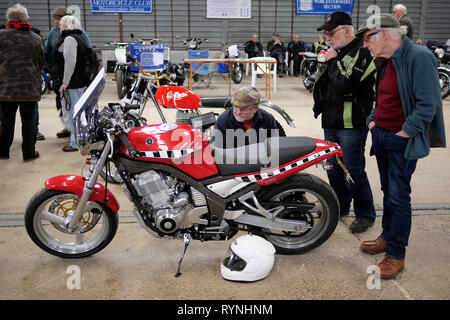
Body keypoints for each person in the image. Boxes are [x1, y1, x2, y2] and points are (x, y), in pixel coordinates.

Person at [356, 13, 445, 279]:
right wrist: (373, 121)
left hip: (400, 140)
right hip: (382, 135)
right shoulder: (385, 60)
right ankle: (387, 236)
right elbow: (381, 98)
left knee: (398, 196)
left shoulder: (419, 57)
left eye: (366, 38)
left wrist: (404, 133)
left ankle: (396, 254)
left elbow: (428, 104)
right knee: (388, 191)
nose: (364, 44)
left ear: (384, 34)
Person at [313, 11, 377, 233]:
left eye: (331, 33)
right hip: (331, 121)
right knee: (333, 169)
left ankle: (365, 213)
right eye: (326, 34)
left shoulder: (363, 52)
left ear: (346, 30)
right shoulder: (338, 52)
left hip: (351, 124)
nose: (328, 38)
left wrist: (331, 62)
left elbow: (345, 85)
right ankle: (340, 206)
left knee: (353, 171)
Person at [0, 4, 44, 161]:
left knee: (6, 121)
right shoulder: (35, 38)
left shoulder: (2, 36)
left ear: (9, 19)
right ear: (25, 18)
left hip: (6, 89)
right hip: (29, 88)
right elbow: (41, 62)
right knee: (29, 122)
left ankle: (3, 151)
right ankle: (29, 153)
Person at [45, 7, 91, 140]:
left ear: (66, 24)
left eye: (60, 21)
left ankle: (76, 141)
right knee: (71, 109)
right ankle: (75, 135)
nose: (57, 23)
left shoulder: (71, 38)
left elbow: (71, 61)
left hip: (72, 81)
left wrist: (65, 82)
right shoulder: (70, 35)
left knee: (72, 111)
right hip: (72, 80)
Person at [214, 87, 278, 149]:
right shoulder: (223, 121)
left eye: (243, 109)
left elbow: (275, 147)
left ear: (255, 108)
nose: (238, 112)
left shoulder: (267, 119)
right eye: (236, 107)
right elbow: (220, 153)